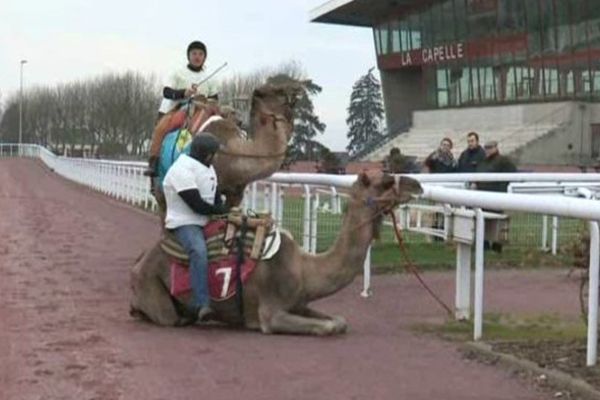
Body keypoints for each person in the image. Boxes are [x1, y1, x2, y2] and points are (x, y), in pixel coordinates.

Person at [163, 133, 230, 321]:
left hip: (206, 218)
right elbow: (196, 205)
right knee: (199, 251)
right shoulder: (181, 170)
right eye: (214, 154)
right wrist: (220, 210)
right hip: (185, 221)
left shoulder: (207, 168)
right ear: (206, 154)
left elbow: (214, 196)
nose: (216, 157)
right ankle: (202, 303)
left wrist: (225, 210)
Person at [145, 41, 210, 177]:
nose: (197, 57)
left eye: (200, 54)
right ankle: (154, 161)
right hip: (179, 108)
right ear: (189, 56)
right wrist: (183, 93)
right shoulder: (178, 73)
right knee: (161, 128)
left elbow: (215, 98)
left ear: (204, 57)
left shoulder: (211, 78)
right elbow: (166, 92)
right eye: (194, 53)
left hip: (203, 111)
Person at [476, 140, 517, 253]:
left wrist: (502, 187)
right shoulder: (483, 162)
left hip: (496, 196)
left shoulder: (503, 161)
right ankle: (484, 245)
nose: (488, 150)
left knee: (496, 222)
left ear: (495, 148)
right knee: (483, 222)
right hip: (483, 197)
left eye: (490, 148)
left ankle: (496, 246)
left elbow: (512, 173)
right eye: (486, 148)